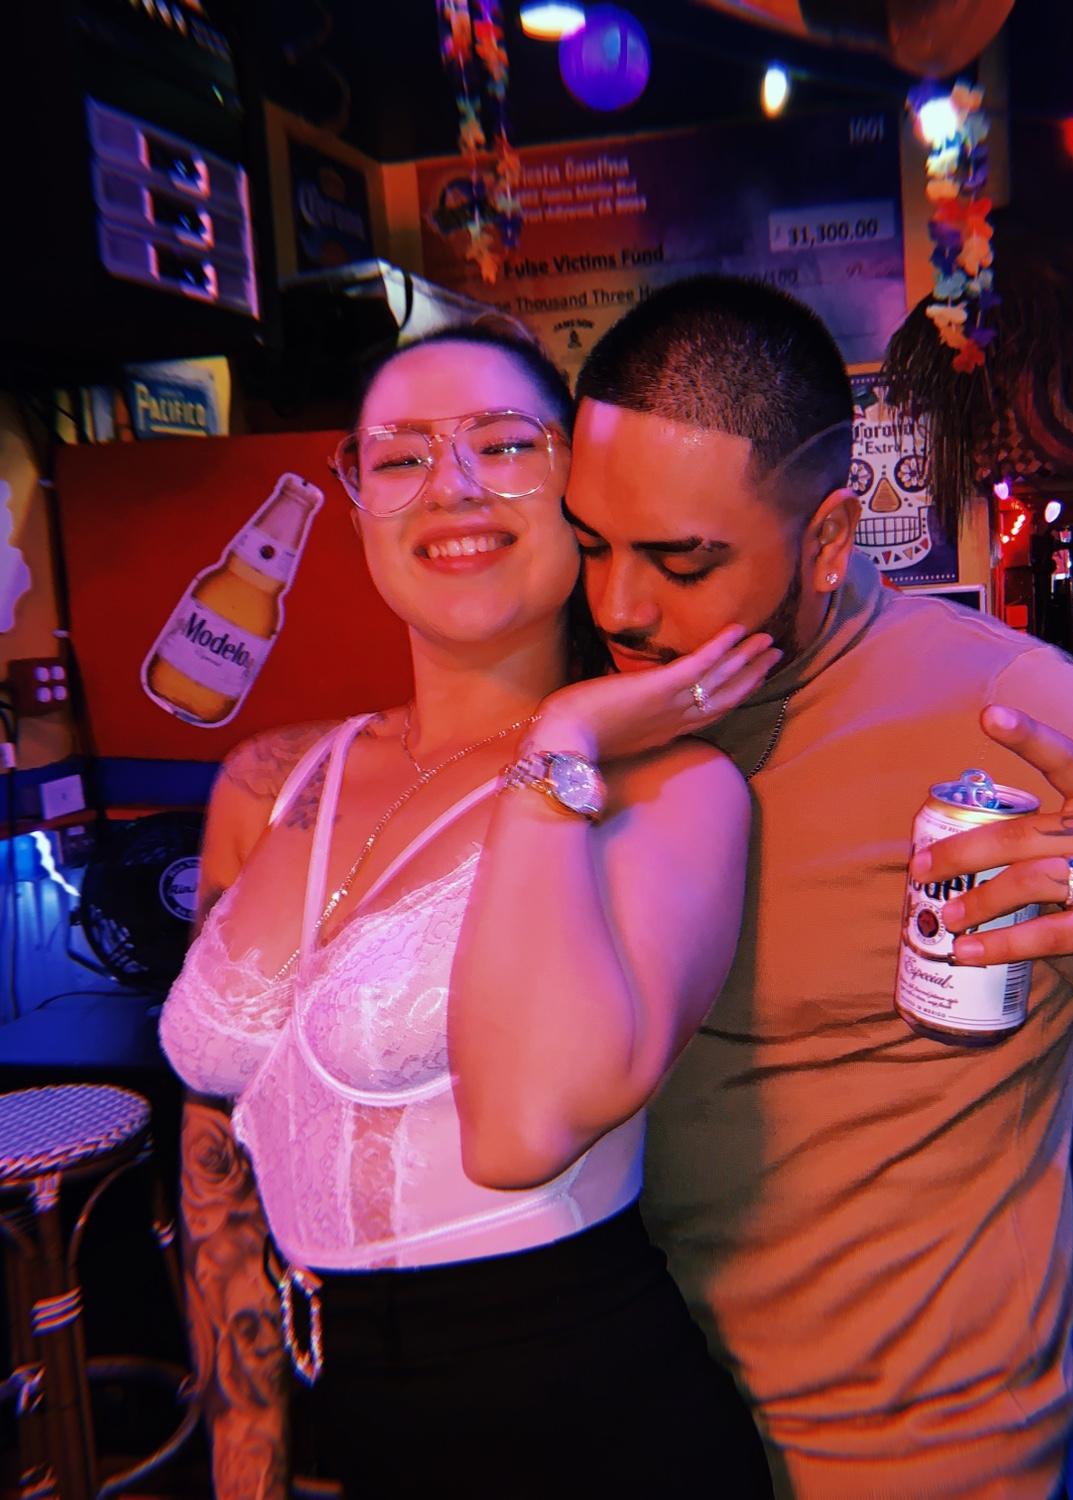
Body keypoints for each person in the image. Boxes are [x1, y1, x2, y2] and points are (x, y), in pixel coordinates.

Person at [565, 275, 1073, 1498]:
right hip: (634, 1437)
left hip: (918, 1467)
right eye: (591, 546)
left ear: (829, 540)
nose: (619, 605)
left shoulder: (1015, 719)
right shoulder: (594, 717)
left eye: (681, 561)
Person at [159, 327, 776, 1498]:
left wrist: (564, 738)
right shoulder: (268, 783)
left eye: (503, 445)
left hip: (589, 1432)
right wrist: (246, 1460)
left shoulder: (668, 790)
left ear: (579, 489)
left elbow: (528, 1128)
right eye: (400, 458)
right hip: (341, 1426)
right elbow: (215, 1153)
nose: (452, 487)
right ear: (353, 499)